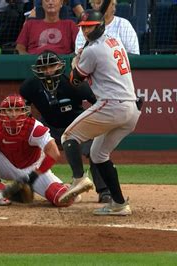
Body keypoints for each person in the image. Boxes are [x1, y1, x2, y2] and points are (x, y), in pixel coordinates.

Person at [59, 8, 141, 216]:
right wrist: (82, 56)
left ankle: (79, 178)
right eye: (84, 28)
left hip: (112, 104)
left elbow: (75, 80)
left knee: (69, 137)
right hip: (131, 110)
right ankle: (119, 204)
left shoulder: (92, 50)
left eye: (90, 27)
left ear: (100, 26)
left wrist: (76, 60)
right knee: (98, 154)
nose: (86, 32)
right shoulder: (114, 41)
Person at [19, 50, 112, 203]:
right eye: (44, 68)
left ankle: (105, 191)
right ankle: (29, 187)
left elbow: (96, 102)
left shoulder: (73, 83)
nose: (48, 71)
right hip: (49, 125)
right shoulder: (29, 86)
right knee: (26, 148)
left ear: (59, 66)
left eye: (52, 66)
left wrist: (96, 125)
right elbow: (25, 108)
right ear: (38, 70)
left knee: (95, 151)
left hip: (77, 125)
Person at [0, 94, 78, 207]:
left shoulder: (34, 128)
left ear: (24, 111)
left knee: (63, 200)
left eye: (17, 110)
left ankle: (66, 188)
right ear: (2, 112)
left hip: (33, 169)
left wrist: (34, 175)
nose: (13, 114)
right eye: (9, 110)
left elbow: (54, 153)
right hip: (6, 165)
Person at [74, 0, 139, 55]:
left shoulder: (124, 24)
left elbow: (134, 54)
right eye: (97, 3)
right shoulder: (86, 26)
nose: (100, 6)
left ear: (113, 5)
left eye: (102, 3)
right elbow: (79, 53)